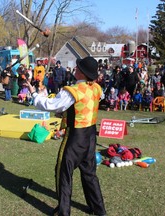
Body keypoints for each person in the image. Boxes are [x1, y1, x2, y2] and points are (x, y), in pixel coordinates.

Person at [25, 56, 106, 216]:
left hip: (75, 137)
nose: (75, 69)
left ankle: (63, 213)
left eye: (78, 68)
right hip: (90, 137)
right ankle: (99, 210)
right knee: (90, 174)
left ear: (82, 73)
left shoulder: (73, 90)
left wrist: (34, 94)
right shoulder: (96, 88)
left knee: (64, 174)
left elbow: (52, 105)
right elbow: (84, 102)